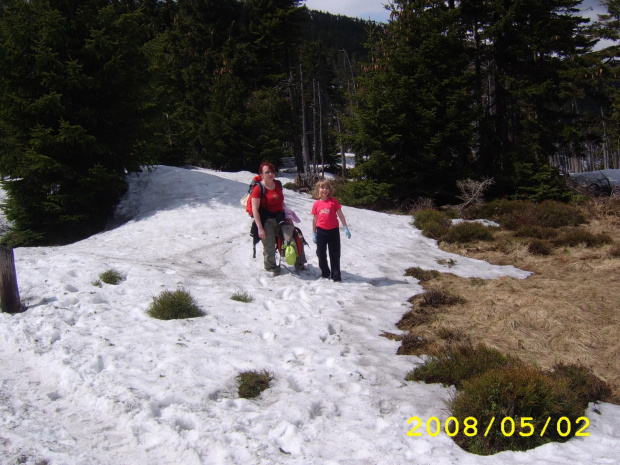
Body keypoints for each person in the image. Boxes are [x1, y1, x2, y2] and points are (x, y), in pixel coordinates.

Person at [311, 180, 351, 282]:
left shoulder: (333, 201)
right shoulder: (316, 204)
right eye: (322, 188)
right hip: (321, 232)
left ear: (329, 190)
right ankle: (325, 271)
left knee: (335, 253)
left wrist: (345, 227)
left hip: (333, 231)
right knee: (321, 253)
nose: (324, 190)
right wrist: (313, 232)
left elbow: (340, 215)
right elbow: (315, 219)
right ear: (318, 189)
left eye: (327, 188)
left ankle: (336, 274)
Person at [251, 162, 285, 275]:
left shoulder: (278, 184)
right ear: (261, 174)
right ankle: (270, 268)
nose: (270, 174)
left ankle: (299, 263)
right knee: (269, 245)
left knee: (294, 239)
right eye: (267, 172)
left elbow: (281, 203)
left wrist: (288, 216)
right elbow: (255, 209)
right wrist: (260, 228)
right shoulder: (258, 188)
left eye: (272, 171)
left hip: (279, 217)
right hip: (266, 220)